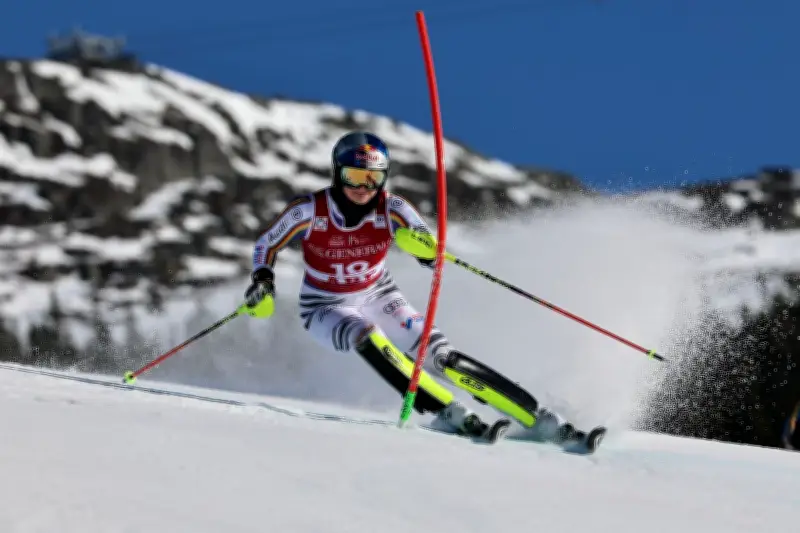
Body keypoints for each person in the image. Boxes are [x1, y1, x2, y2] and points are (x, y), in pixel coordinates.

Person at [243, 131, 587, 446]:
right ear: (337, 174)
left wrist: (425, 250)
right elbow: (267, 244)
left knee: (440, 357)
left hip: (379, 295)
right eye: (354, 177)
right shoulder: (309, 210)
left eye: (373, 178)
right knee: (366, 335)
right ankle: (445, 410)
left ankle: (536, 417)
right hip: (324, 305)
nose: (363, 188)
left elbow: (430, 250)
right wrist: (263, 280)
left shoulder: (393, 208)